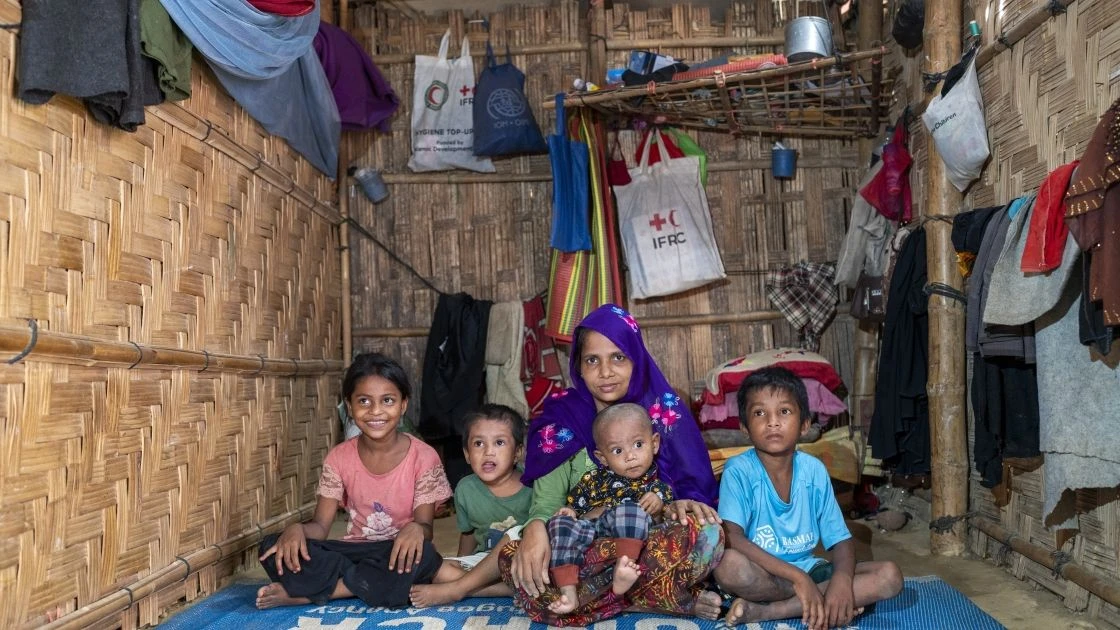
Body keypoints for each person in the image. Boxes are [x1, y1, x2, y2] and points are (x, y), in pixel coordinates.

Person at [411, 304, 723, 622]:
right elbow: (547, 504)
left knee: (709, 534)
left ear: (637, 357)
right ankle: (657, 598)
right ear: (578, 365)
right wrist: (535, 528)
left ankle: (610, 598)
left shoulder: (663, 411)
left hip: (644, 543)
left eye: (618, 357)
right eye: (592, 360)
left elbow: (690, 485)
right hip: (582, 545)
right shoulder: (562, 419)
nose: (605, 372)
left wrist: (682, 503)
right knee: (517, 553)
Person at [256, 353, 454, 610]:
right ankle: (366, 584)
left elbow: (425, 527)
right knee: (273, 546)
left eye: (388, 400)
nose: (375, 411)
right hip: (353, 552)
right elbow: (320, 526)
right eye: (364, 401)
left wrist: (417, 528)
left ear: (403, 405)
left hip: (396, 554)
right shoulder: (339, 457)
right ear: (349, 406)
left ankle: (310, 594)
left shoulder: (423, 456)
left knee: (424, 556)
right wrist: (297, 529)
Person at [715, 367, 902, 629]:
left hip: (811, 570)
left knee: (889, 576)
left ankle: (770, 612)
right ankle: (814, 596)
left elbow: (841, 540)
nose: (772, 422)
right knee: (728, 566)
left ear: (804, 424)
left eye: (784, 411)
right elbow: (732, 537)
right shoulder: (739, 470)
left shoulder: (813, 470)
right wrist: (799, 580)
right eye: (759, 413)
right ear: (744, 427)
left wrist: (841, 583)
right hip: (763, 572)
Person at [546, 403, 674, 615]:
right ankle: (568, 593)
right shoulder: (591, 481)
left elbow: (663, 518)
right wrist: (569, 512)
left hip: (627, 546)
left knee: (630, 510)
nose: (630, 456)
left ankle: (624, 569)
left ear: (654, 444)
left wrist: (658, 505)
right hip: (592, 536)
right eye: (617, 450)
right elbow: (575, 507)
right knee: (557, 522)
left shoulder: (656, 488)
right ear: (602, 458)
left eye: (638, 445)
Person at [448, 404, 532, 567]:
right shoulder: (465, 489)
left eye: (499, 442)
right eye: (478, 443)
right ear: (467, 454)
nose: (488, 452)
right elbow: (469, 533)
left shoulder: (532, 485)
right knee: (442, 569)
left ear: (517, 453)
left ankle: (471, 587)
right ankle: (470, 584)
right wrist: (459, 563)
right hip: (483, 561)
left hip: (522, 561)